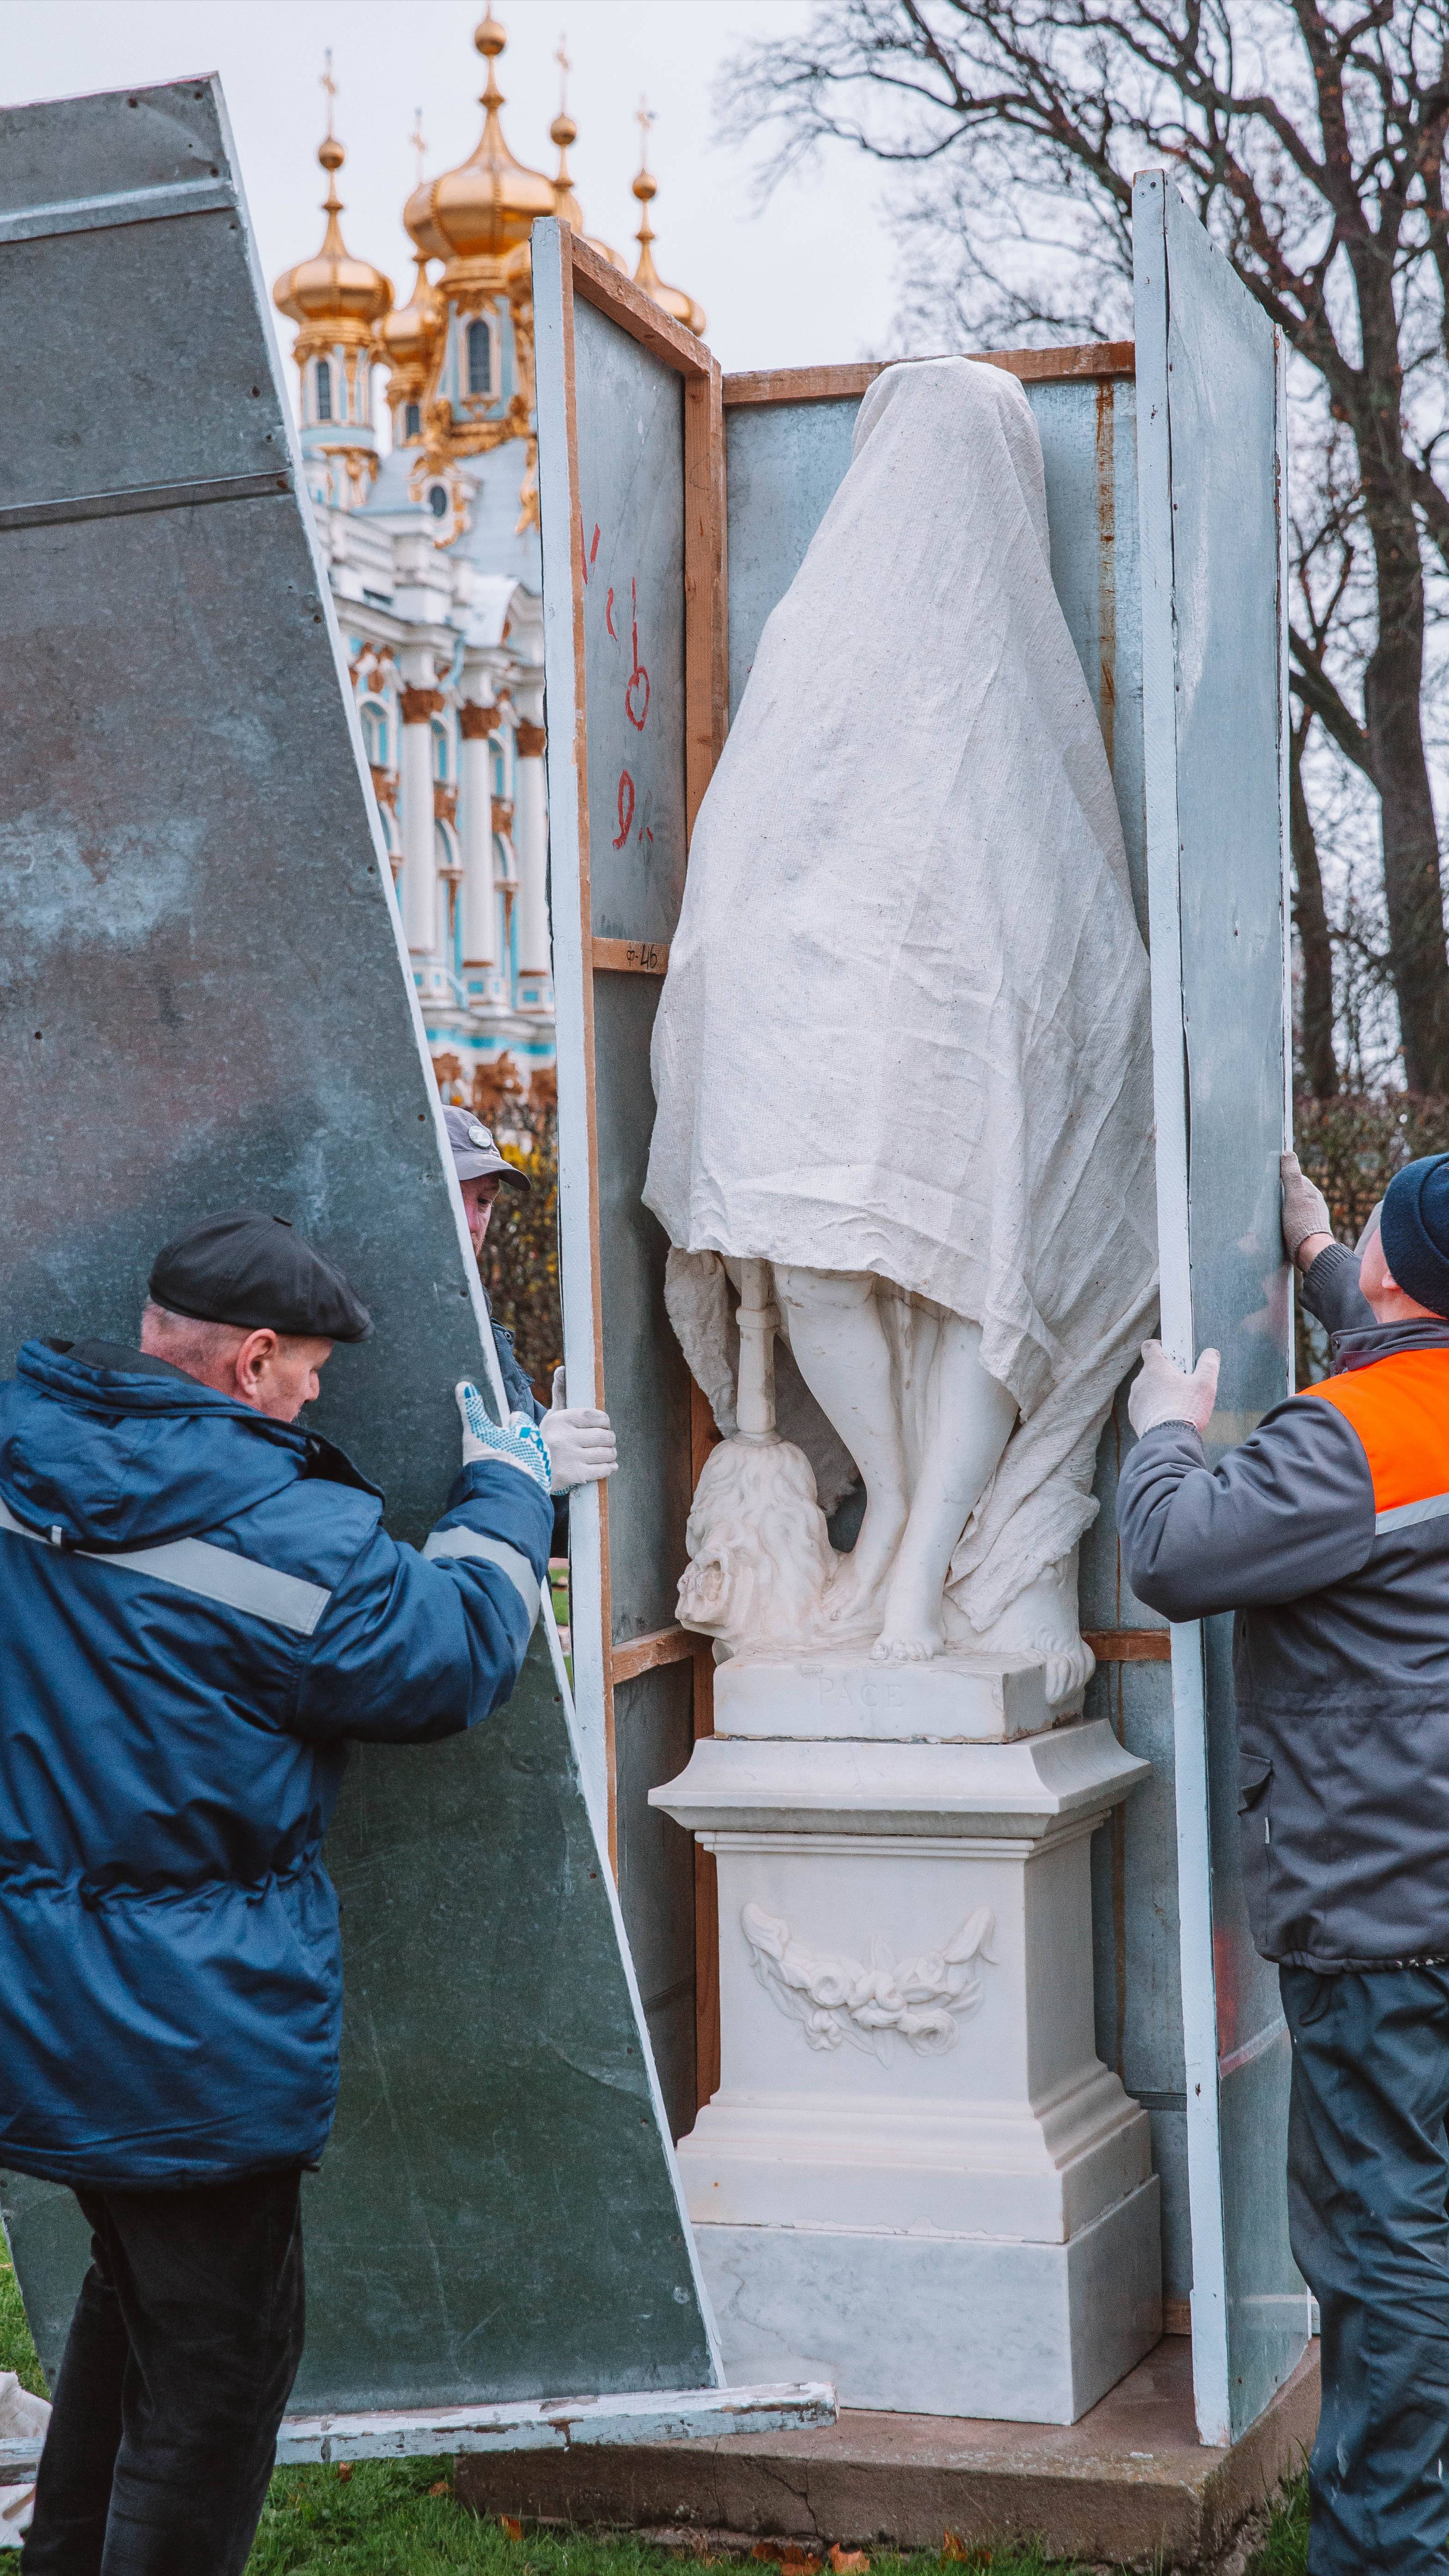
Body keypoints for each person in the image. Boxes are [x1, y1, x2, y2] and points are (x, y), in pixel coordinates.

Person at [0, 1209, 554, 2576]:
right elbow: (451, 1654)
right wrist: (506, 1491)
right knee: (219, 2380)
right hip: (186, 2026)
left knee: (139, 2310)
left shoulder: (22, 1448)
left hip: (42, 1990)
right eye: (307, 1370)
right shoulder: (283, 1534)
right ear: (252, 1361)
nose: (314, 1394)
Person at [1117, 1150, 1449, 2576]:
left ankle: (1384, 2553)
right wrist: (1317, 1249)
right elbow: (1387, 1332)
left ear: (1399, 1272)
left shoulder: (1353, 1437)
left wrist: (1163, 1430)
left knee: (1387, 2261)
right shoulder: (1408, 1400)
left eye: (1363, 1222)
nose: (1349, 1232)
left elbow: (1177, 1555)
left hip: (1385, 1919)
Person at [442, 1104, 616, 1497]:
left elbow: (540, 1531)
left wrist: (562, 1456)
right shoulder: (377, 1328)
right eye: (453, 1195)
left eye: (484, 1203)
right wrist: (530, 1472)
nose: (473, 1223)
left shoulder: (478, 1322)